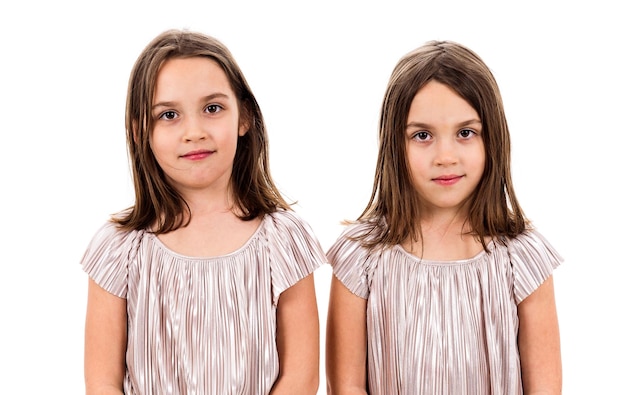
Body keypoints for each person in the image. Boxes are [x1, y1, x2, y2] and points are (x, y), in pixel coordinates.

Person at [81, 29, 325, 395]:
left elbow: (301, 378)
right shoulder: (119, 250)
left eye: (212, 109)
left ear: (243, 117)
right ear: (138, 131)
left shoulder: (283, 240)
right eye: (168, 115)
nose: (193, 132)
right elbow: (102, 382)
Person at [325, 40, 563, 394]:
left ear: (492, 139)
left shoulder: (522, 259)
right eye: (422, 135)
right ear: (394, 144)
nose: (445, 156)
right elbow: (346, 387)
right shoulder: (361, 257)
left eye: (465, 133)